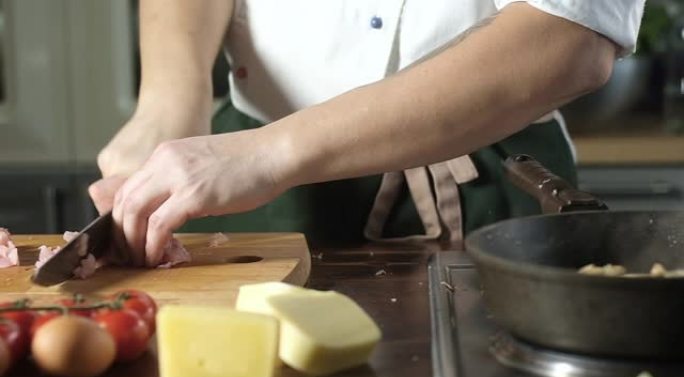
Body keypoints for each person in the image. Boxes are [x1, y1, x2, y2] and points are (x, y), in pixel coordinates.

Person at [89, 0, 645, 267]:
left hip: (488, 191)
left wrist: (266, 155)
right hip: (239, 190)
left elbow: (569, 38)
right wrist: (170, 104)